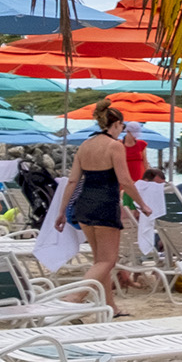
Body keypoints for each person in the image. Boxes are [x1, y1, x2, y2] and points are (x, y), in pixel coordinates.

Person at [66, 106, 138, 315]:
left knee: (100, 261)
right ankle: (74, 297)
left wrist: (61, 211)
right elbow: (125, 180)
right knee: (108, 260)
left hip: (84, 206)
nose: (122, 131)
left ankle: (109, 307)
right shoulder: (115, 146)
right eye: (122, 127)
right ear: (116, 124)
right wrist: (143, 204)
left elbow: (72, 181)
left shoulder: (84, 145)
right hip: (105, 205)